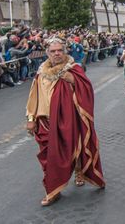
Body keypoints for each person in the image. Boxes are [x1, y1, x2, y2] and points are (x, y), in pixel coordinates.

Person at [25, 37, 105, 207]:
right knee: (49, 158)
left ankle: (78, 172)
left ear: (65, 51)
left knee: (71, 150)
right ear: (47, 53)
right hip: (45, 122)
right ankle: (54, 190)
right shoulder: (41, 73)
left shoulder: (74, 70)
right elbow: (34, 97)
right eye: (53, 51)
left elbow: (87, 90)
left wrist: (74, 81)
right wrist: (31, 119)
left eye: (59, 50)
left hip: (67, 120)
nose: (56, 54)